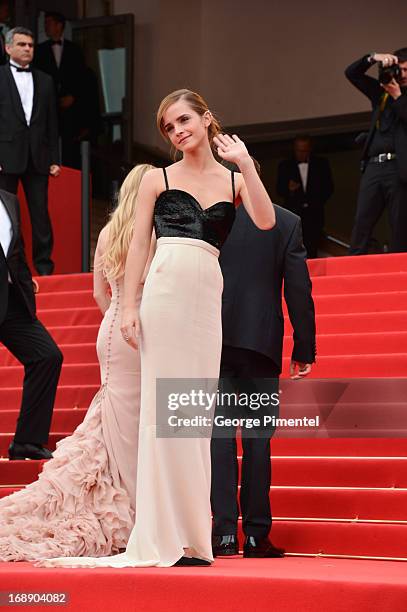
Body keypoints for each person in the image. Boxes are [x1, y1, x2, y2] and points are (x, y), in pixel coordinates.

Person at [42, 88, 275, 569]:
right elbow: (140, 251)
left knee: (192, 415)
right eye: (169, 127)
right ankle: (163, 534)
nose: (178, 131)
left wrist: (246, 163)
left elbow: (267, 221)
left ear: (206, 118)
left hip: (207, 294)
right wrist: (129, 307)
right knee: (163, 414)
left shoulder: (232, 179)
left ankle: (192, 538)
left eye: (184, 120)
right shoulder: (156, 178)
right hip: (165, 292)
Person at [0, 164, 155, 562]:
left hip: (112, 329)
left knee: (116, 413)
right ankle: (138, 504)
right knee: (134, 418)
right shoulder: (153, 234)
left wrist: (116, 314)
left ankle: (130, 498)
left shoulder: (108, 232)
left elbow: (100, 293)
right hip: (140, 331)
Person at [211, 162, 316, 558]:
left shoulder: (210, 219)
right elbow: (299, 290)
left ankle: (222, 534)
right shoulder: (286, 222)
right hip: (261, 342)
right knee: (257, 441)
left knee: (218, 438)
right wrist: (304, 347)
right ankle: (256, 535)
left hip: (212, 340)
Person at [0, 188, 62, 462]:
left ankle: (27, 442)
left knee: (47, 356)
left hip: (11, 301)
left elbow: (17, 249)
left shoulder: (9, 200)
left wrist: (24, 283)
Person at [0, 27, 60, 276]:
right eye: (22, 44)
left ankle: (44, 268)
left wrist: (55, 158)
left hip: (38, 158)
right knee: (7, 217)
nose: (27, 49)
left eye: (31, 45)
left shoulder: (45, 80)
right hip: (5, 159)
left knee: (40, 216)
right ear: (8, 48)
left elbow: (52, 122)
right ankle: (12, 268)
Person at [345, 49, 407, 254]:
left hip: (399, 168)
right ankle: (353, 267)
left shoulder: (399, 95)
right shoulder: (380, 92)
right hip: (374, 165)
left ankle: (400, 271)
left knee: (399, 224)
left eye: (406, 70)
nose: (403, 75)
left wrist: (397, 96)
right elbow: (351, 73)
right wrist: (372, 58)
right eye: (400, 70)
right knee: (362, 220)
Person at [34, 12, 87, 169]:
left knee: (70, 147)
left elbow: (82, 77)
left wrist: (74, 96)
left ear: (59, 26)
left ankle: (71, 181)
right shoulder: (39, 50)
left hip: (70, 108)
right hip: (46, 106)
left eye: (49, 23)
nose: (46, 26)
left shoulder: (75, 49)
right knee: (47, 142)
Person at [276, 135, 334, 258]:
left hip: (315, 214)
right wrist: (289, 189)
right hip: (294, 213)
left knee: (313, 247)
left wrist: (317, 202)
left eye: (304, 150)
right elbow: (279, 190)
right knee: (293, 247)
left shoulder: (321, 164)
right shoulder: (285, 166)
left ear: (310, 149)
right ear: (294, 149)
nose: (301, 154)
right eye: (299, 150)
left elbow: (329, 188)